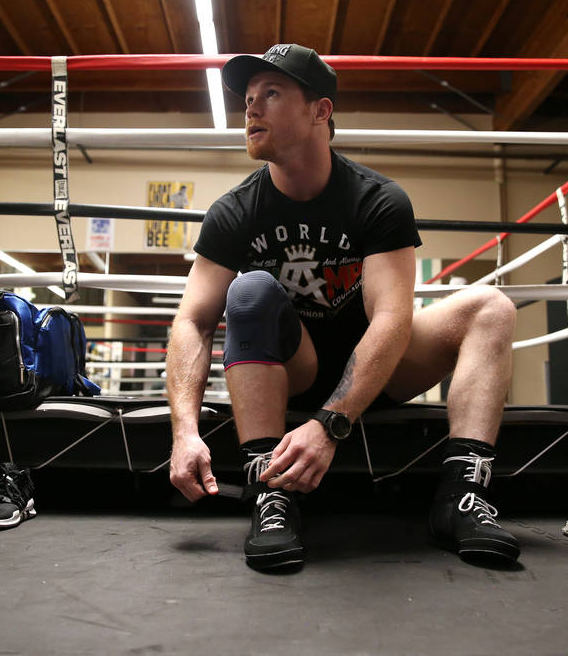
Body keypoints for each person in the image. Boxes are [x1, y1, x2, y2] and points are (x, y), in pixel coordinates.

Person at [167, 43, 519, 571]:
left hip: (380, 366)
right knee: (250, 291)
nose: (251, 108)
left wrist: (331, 425)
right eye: (248, 97)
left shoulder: (377, 199)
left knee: (491, 306)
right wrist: (185, 431)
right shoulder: (235, 210)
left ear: (320, 111)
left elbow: (393, 319)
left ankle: (462, 497)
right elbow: (192, 320)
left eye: (271, 94)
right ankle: (273, 495)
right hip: (298, 366)